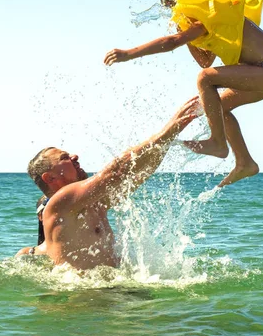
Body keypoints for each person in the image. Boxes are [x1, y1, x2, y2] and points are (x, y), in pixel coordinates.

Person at [104, 0, 263, 186]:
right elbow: (205, 60)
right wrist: (185, 31)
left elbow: (172, 43)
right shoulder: (206, 19)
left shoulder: (210, 12)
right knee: (216, 105)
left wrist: (129, 53)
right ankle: (245, 162)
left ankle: (218, 143)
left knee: (205, 78)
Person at [25, 97, 200, 270]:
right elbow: (117, 170)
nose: (75, 157)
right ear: (50, 178)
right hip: (85, 295)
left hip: (110, 289)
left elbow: (138, 173)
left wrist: (166, 142)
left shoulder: (94, 204)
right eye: (64, 158)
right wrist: (168, 131)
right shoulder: (60, 202)